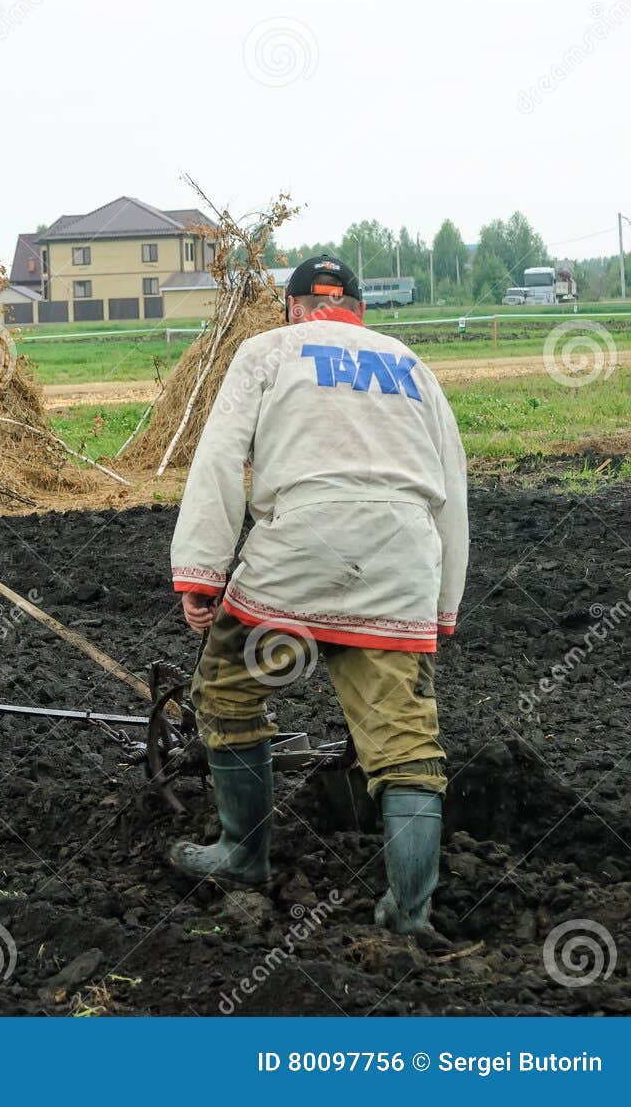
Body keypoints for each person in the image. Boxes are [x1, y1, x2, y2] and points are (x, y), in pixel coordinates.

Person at [167, 254, 468, 936]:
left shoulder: (267, 350)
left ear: (295, 307)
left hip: (295, 559)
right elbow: (453, 482)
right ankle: (410, 912)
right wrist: (442, 604)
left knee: (228, 686)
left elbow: (219, 457)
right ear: (358, 309)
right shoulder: (412, 365)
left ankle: (242, 855)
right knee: (405, 741)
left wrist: (201, 572)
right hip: (399, 566)